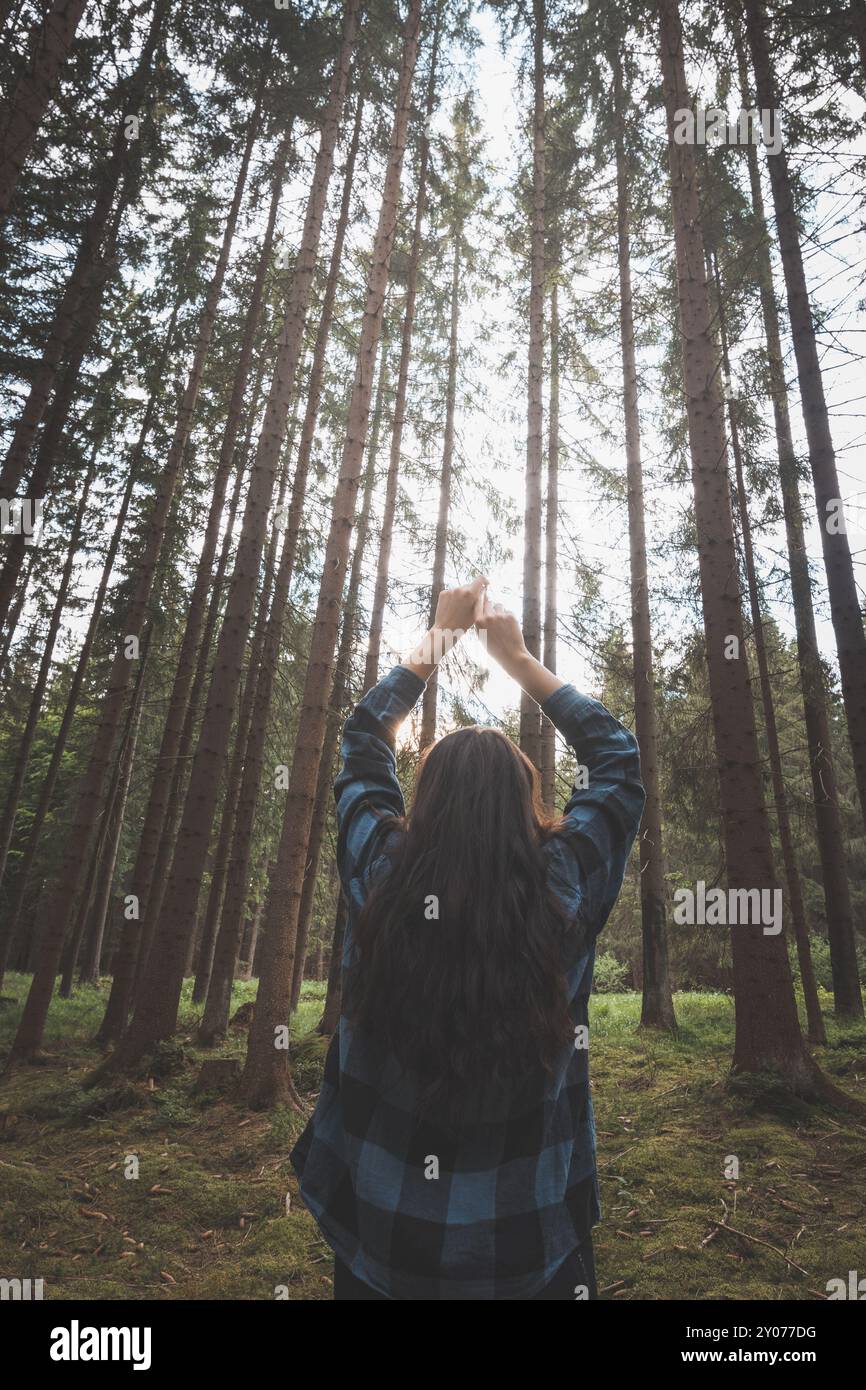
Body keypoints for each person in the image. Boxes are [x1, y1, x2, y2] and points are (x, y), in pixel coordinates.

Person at [291, 576, 645, 1300]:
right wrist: (516, 659)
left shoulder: (382, 874)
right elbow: (616, 762)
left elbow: (361, 744)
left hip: (379, 1243)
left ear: (426, 803)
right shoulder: (562, 887)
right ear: (526, 806)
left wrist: (434, 643)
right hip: (525, 1246)